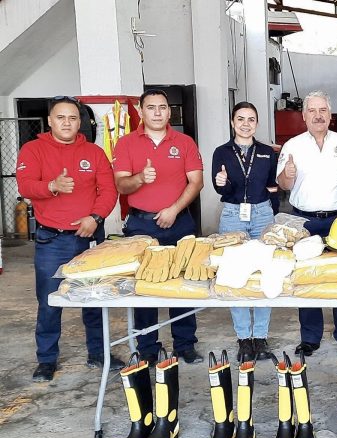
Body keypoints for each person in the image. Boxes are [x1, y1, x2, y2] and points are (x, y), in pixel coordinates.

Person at [17, 96, 121, 382]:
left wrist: (96, 218)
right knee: (49, 301)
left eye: (73, 118)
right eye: (61, 117)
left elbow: (109, 191)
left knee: (95, 298)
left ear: (81, 122)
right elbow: (25, 185)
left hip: (88, 238)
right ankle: (47, 360)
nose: (67, 123)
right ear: (50, 121)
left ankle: (99, 353)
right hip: (52, 241)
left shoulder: (95, 153)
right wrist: (52, 185)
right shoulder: (33, 150)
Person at [113, 89, 205, 365]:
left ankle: (185, 344)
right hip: (141, 224)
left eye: (162, 107)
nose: (157, 112)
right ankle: (147, 348)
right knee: (144, 286)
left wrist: (173, 210)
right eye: (151, 107)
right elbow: (121, 184)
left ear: (169, 112)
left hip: (180, 221)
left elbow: (196, 181)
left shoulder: (185, 142)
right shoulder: (126, 144)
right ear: (141, 111)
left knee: (184, 283)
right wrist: (140, 178)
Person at [276, 90, 337, 358]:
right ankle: (310, 337)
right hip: (304, 221)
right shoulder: (293, 146)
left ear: (330, 115)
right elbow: (283, 184)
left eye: (323, 110)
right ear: (303, 116)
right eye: (312, 111)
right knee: (306, 278)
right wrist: (287, 175)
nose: (318, 115)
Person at [212, 102, 278, 363]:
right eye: (240, 119)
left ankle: (260, 337)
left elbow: (273, 185)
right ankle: (243, 338)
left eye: (251, 119)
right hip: (232, 214)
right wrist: (222, 184)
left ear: (257, 124)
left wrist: (269, 210)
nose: (246, 124)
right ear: (232, 122)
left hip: (262, 214)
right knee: (232, 273)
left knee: (265, 272)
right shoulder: (222, 152)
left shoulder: (266, 152)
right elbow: (221, 189)